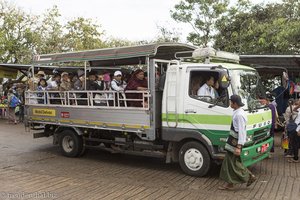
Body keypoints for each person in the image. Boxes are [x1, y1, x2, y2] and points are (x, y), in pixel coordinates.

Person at [219, 94, 256, 190]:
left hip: (235, 143)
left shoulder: (239, 115)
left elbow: (242, 131)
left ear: (235, 103)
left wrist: (239, 146)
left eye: (231, 102)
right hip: (233, 141)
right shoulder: (238, 111)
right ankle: (231, 183)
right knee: (232, 162)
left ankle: (248, 177)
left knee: (232, 163)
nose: (230, 103)